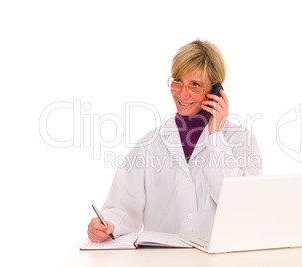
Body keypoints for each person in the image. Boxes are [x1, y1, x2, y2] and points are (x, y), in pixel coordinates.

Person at [87, 39, 262, 243]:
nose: (182, 93)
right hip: (164, 260)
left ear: (216, 91)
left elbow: (241, 205)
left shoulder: (241, 140)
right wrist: (105, 225)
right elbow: (122, 207)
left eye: (195, 85)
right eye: (178, 81)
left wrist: (215, 137)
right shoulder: (148, 145)